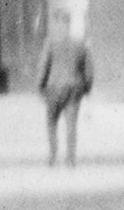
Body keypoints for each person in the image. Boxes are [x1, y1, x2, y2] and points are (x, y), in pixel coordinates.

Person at [36, 9, 94, 166]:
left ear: (57, 23)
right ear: (69, 24)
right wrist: (87, 89)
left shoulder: (50, 42)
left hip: (53, 88)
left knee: (51, 123)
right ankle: (70, 158)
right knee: (71, 124)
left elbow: (43, 66)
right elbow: (88, 70)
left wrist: (40, 87)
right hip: (74, 88)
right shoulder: (80, 43)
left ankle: (53, 156)